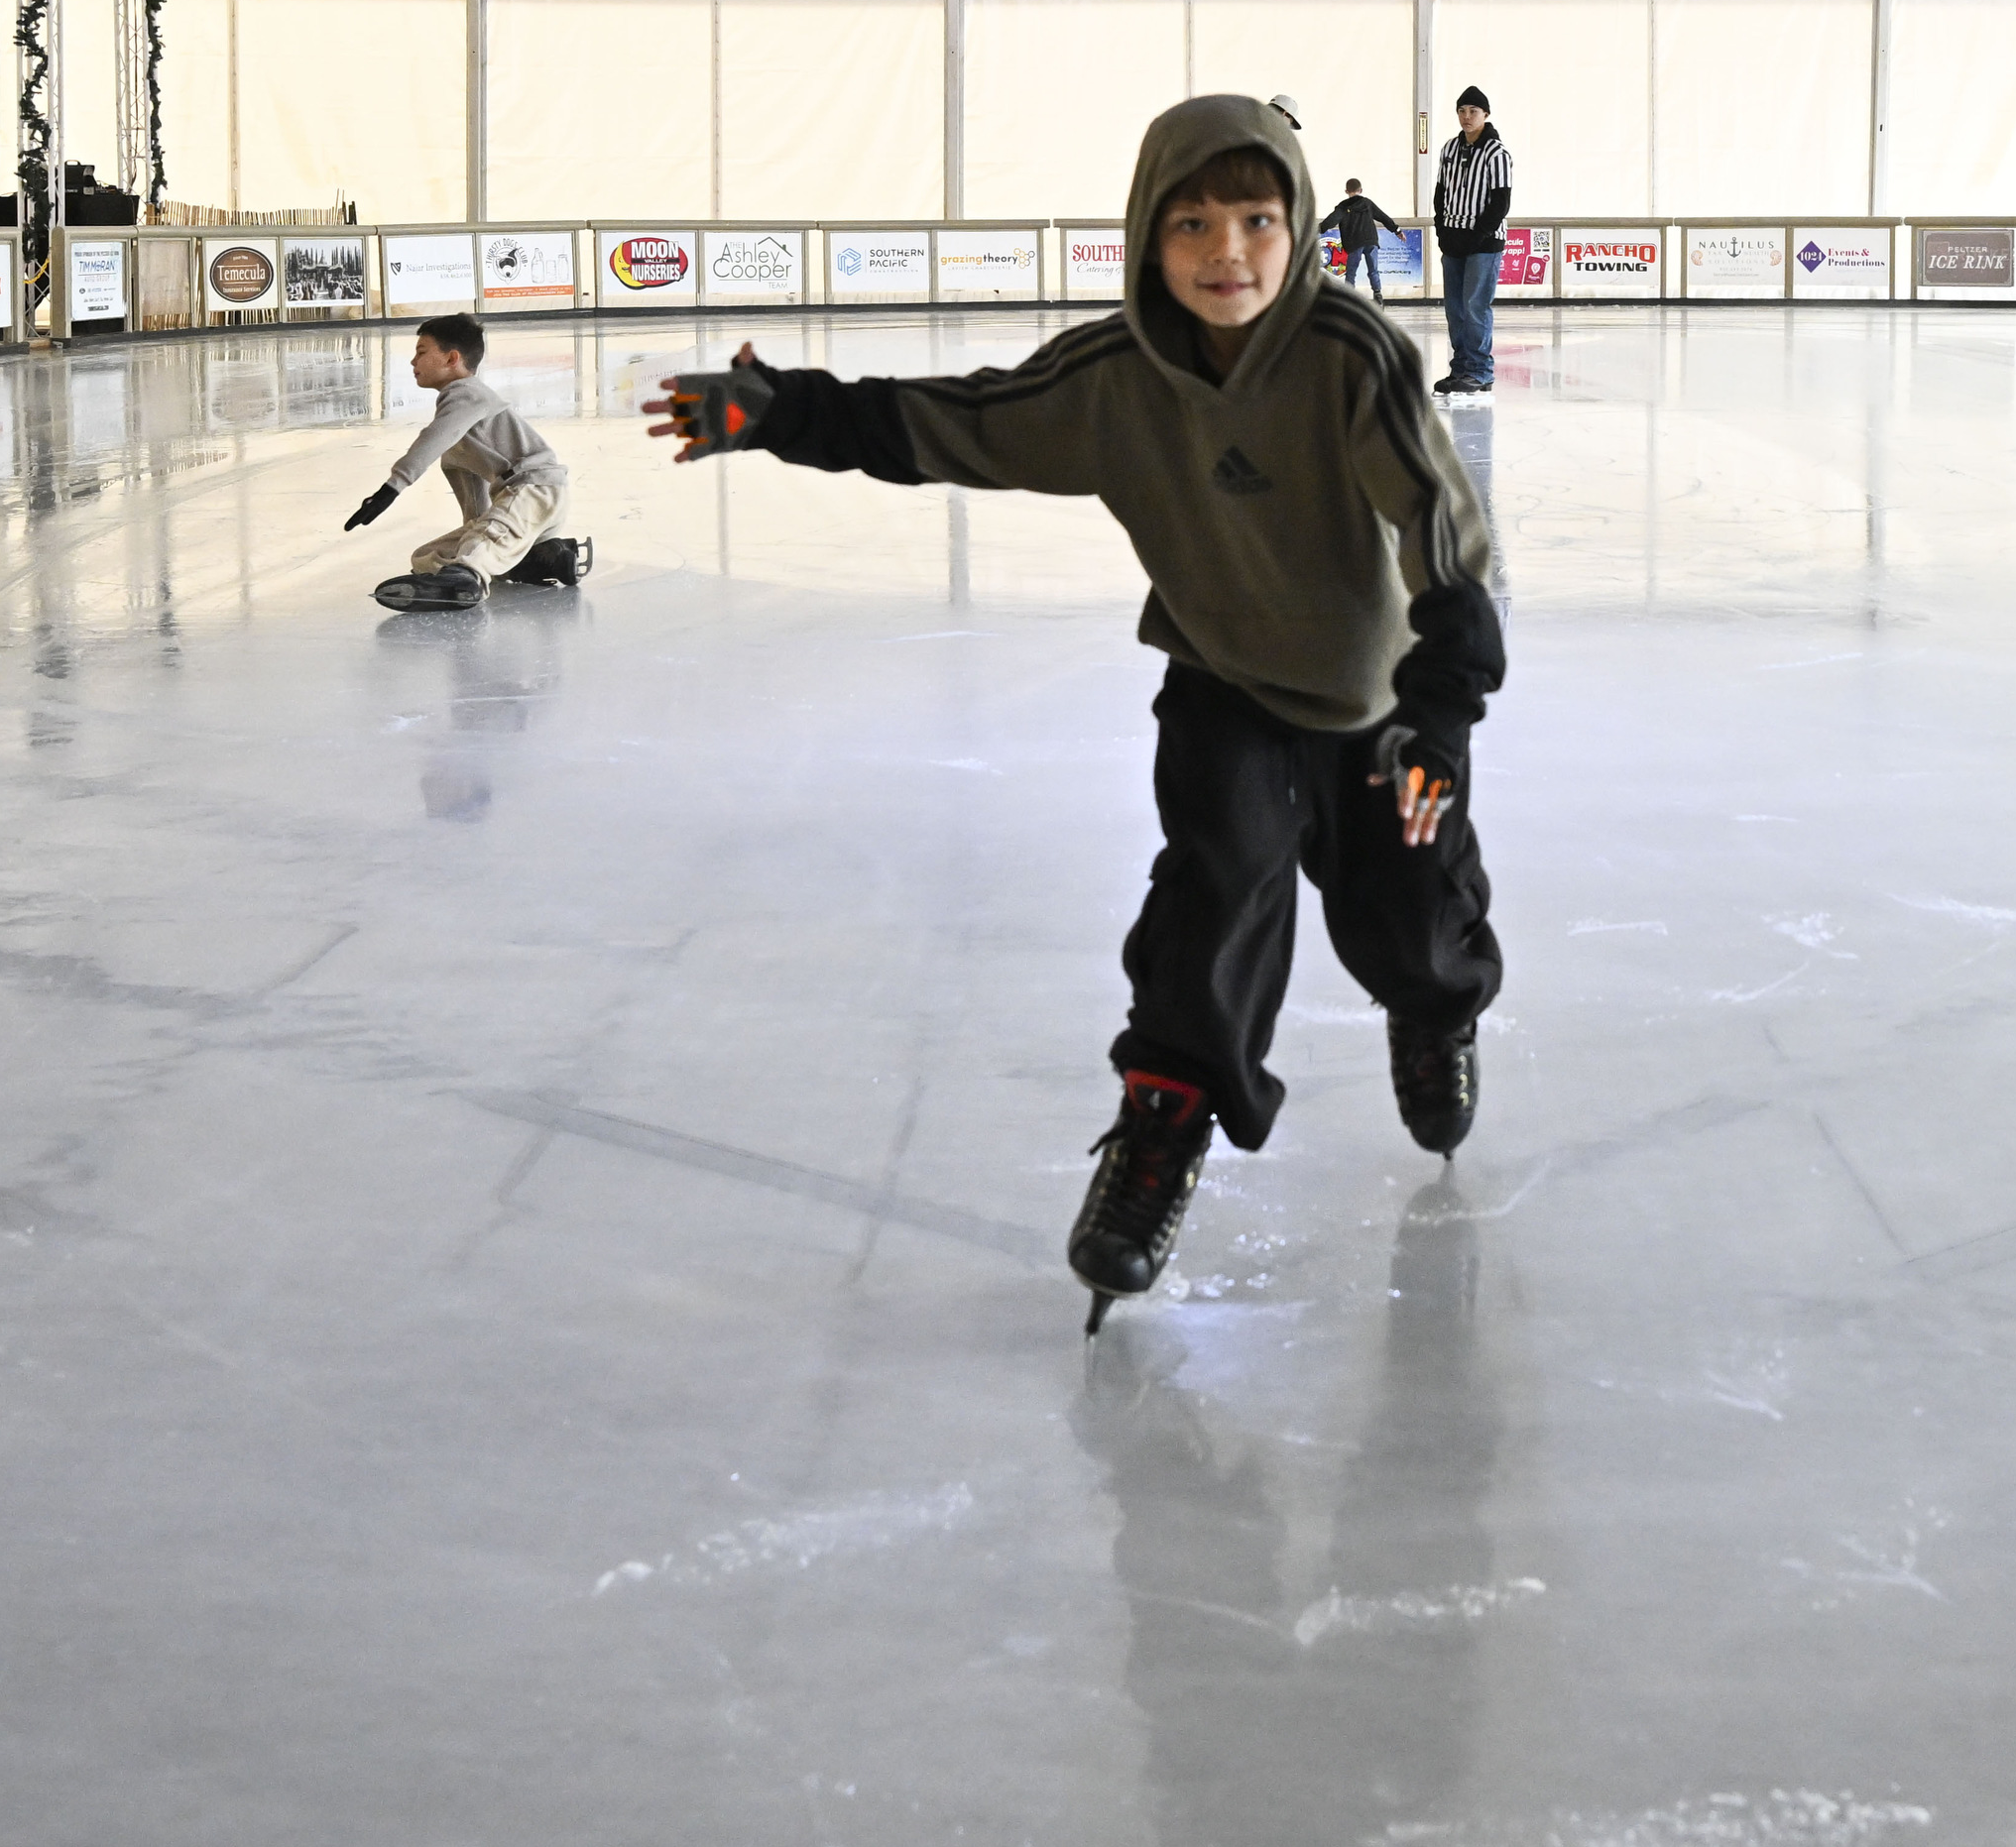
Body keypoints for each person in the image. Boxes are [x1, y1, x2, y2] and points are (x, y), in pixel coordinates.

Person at [644, 96, 1506, 1330]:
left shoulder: (1347, 356)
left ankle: (1432, 1011)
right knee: (1214, 887)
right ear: (1147, 236)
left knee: (1408, 918)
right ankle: (1159, 1127)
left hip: (1381, 710)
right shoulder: (1114, 378)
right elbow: (957, 419)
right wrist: (786, 412)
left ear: (1299, 224)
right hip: (1222, 683)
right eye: (1194, 222)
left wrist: (1438, 711)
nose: (1229, 252)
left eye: (1259, 221)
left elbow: (1441, 530)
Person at [344, 313, 586, 609]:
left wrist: (391, 489)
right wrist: (474, 532)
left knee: (471, 557)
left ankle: (465, 579)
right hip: (522, 508)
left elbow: (431, 439)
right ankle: (544, 559)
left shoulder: (467, 394)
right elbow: (473, 505)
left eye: (421, 352)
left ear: (452, 359)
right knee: (426, 556)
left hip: (532, 490)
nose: (412, 362)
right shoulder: (459, 434)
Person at [1429, 85, 1510, 397]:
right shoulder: (1449, 149)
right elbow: (1441, 193)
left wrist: (1476, 237)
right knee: (1455, 309)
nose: (1466, 117)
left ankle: (1479, 371)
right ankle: (1461, 368)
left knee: (1475, 306)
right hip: (1453, 239)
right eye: (1462, 111)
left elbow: (1500, 202)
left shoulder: (1497, 153)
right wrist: (1442, 229)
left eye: (1473, 111)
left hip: (1483, 243)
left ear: (1485, 115)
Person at [1331, 177, 1384, 297]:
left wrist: (1317, 229)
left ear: (1346, 191)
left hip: (1355, 243)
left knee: (1351, 272)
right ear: (1361, 190)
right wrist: (1396, 230)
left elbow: (1331, 220)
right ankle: (1378, 295)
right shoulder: (1368, 203)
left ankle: (1349, 297)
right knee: (1373, 270)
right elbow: (1383, 216)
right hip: (1371, 240)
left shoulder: (1343, 207)